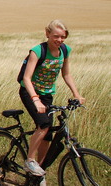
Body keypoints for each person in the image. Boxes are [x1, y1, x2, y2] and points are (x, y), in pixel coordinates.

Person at [19, 20, 85, 182]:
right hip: (30, 92)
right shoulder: (37, 51)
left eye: (63, 37)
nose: (59, 40)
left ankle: (39, 173)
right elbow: (26, 78)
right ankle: (30, 161)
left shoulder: (65, 50)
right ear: (47, 34)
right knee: (44, 125)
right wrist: (35, 100)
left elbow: (66, 74)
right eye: (56, 36)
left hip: (47, 95)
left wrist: (77, 94)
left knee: (47, 135)